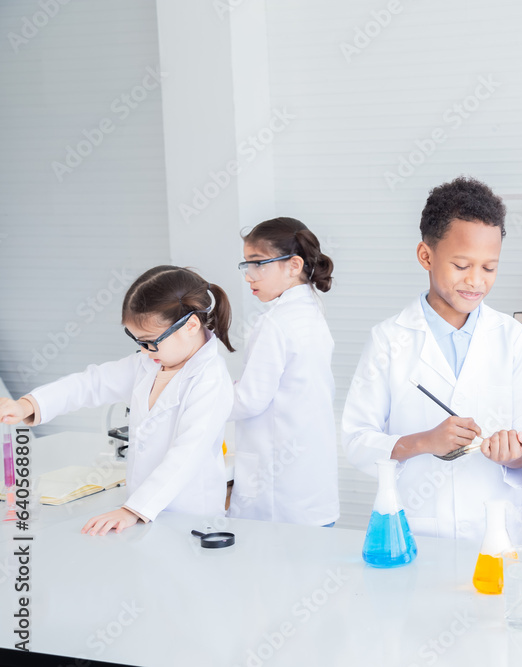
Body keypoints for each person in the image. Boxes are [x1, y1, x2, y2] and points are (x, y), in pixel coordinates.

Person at [342, 176, 522, 544]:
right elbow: (357, 439)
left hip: (497, 532)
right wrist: (424, 442)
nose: (476, 281)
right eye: (462, 264)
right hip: (420, 531)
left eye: (489, 267)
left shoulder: (510, 336)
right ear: (426, 256)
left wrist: (513, 454)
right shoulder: (389, 339)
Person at [0, 266, 235, 535]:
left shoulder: (210, 379)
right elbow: (90, 383)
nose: (145, 351)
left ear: (191, 326)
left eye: (151, 341)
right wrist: (27, 405)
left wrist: (133, 509)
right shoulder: (147, 363)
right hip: (143, 515)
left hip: (190, 519)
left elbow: (187, 455)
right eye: (137, 341)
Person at [229, 217, 339, 526]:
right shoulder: (311, 312)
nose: (249, 276)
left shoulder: (275, 322)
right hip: (309, 488)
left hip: (278, 494)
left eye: (258, 264)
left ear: (293, 265)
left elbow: (249, 401)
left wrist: (198, 396)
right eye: (246, 265)